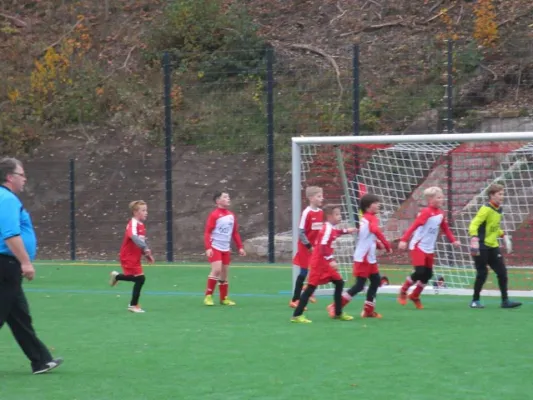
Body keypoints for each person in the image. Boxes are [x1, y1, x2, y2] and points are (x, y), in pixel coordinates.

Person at [0, 157, 63, 374]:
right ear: (10, 177)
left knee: (19, 317)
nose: (25, 179)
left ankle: (40, 360)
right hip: (6, 265)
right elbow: (10, 235)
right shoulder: (6, 199)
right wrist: (26, 262)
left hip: (8, 266)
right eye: (21, 174)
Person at [327, 194, 392, 319]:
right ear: (368, 207)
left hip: (369, 257)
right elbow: (375, 231)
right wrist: (386, 244)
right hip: (363, 258)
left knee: (376, 281)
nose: (379, 204)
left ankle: (368, 310)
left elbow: (368, 235)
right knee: (359, 285)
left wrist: (377, 244)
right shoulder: (371, 218)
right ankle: (335, 306)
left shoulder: (368, 217)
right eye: (376, 202)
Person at [291, 204, 357, 323]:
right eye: (337, 214)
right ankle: (297, 315)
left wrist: (347, 231)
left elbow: (335, 232)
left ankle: (337, 312)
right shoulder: (326, 228)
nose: (340, 217)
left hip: (324, 263)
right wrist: (331, 260)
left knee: (339, 282)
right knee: (311, 288)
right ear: (329, 216)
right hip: (319, 263)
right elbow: (322, 247)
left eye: (340, 214)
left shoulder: (329, 227)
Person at [397, 187, 460, 309]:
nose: (442, 199)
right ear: (430, 199)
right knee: (420, 271)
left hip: (429, 248)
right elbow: (414, 226)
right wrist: (404, 239)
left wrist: (453, 240)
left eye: (442, 197)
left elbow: (445, 228)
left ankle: (415, 296)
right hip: (418, 246)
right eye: (439, 197)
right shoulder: (426, 212)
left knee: (428, 274)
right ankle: (403, 291)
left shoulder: (441, 214)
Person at [468, 184, 521, 309]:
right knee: (482, 273)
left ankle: (505, 301)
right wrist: (474, 238)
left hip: (493, 246)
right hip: (481, 245)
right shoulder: (485, 209)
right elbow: (473, 224)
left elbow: (494, 227)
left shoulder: (499, 209)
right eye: (499, 194)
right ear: (491, 195)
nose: (502, 197)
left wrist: (503, 236)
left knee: (502, 272)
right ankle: (475, 300)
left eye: (503, 194)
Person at [110, 200, 154, 313]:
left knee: (139, 279)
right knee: (140, 278)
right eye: (143, 210)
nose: (146, 212)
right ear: (135, 212)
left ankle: (117, 277)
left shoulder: (142, 225)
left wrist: (146, 254)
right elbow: (134, 237)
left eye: (146, 210)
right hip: (128, 255)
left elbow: (141, 242)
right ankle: (133, 305)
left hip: (135, 256)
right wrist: (146, 248)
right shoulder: (132, 223)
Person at [204, 191, 246, 306]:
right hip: (215, 247)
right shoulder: (214, 215)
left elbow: (235, 233)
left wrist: (240, 247)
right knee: (216, 270)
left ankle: (224, 298)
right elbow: (207, 232)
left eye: (228, 197)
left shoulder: (231, 215)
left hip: (225, 248)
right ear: (218, 201)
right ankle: (208, 296)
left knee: (224, 273)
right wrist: (208, 248)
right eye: (225, 197)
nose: (228, 199)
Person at [289, 186, 324, 309]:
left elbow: (319, 231)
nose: (322, 198)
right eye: (319, 196)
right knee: (303, 272)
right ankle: (295, 300)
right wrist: (309, 246)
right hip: (305, 247)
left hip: (315, 248)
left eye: (321, 196)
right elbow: (301, 232)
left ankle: (308, 290)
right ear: (310, 198)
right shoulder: (306, 213)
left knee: (317, 271)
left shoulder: (320, 212)